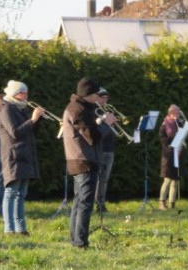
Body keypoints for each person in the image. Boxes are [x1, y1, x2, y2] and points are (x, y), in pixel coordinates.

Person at [62, 77, 115, 248]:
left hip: (81, 159)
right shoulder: (78, 110)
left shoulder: (80, 107)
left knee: (79, 202)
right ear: (88, 95)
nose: (98, 97)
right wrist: (106, 124)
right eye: (95, 94)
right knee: (85, 203)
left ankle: (76, 239)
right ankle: (80, 242)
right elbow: (93, 137)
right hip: (84, 159)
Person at [0, 80, 44, 235]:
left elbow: (30, 133)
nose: (26, 96)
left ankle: (21, 229)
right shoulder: (6, 108)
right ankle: (9, 229)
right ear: (14, 94)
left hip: (24, 155)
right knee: (11, 192)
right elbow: (15, 132)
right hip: (13, 156)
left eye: (26, 93)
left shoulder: (19, 108)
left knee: (21, 194)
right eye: (23, 93)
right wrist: (33, 119)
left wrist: (38, 120)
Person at [158, 104, 187, 210]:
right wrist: (172, 148)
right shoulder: (164, 124)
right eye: (177, 112)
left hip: (178, 153)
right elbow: (163, 141)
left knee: (175, 179)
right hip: (168, 155)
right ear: (171, 113)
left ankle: (172, 203)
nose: (178, 114)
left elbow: (184, 134)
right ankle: (161, 202)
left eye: (179, 112)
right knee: (167, 179)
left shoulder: (179, 123)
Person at [94, 88, 115, 213]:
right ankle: (96, 204)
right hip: (99, 148)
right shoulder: (94, 111)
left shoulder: (109, 110)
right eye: (102, 98)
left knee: (104, 179)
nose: (105, 100)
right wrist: (102, 118)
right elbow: (94, 126)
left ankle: (102, 203)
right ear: (97, 97)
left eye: (106, 98)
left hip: (109, 148)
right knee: (97, 178)